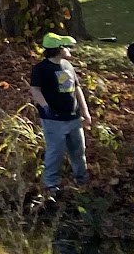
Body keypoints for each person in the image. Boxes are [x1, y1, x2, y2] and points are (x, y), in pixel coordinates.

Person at [29, 34, 91, 192]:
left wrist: (85, 111)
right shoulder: (41, 69)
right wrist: (46, 107)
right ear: (58, 49)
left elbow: (76, 89)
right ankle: (51, 186)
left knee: (78, 151)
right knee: (55, 152)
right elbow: (35, 90)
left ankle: (82, 182)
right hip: (54, 120)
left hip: (74, 118)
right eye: (66, 47)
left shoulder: (68, 66)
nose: (69, 50)